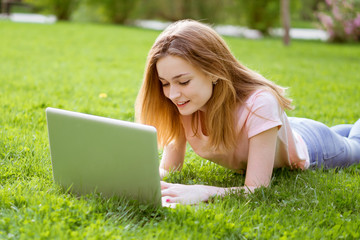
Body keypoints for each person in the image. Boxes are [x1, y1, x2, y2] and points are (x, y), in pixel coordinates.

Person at [135, 19, 360, 207]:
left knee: (356, 146)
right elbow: (169, 167)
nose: (173, 94)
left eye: (183, 81)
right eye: (164, 83)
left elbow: (256, 189)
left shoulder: (260, 104)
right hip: (275, 130)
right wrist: (140, 178)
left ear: (214, 72)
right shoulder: (183, 104)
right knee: (345, 132)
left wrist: (203, 191)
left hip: (314, 145)